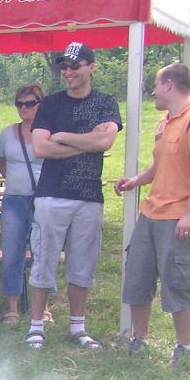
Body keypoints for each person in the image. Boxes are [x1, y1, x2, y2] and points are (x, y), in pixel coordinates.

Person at [25, 42, 122, 350]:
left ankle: (78, 327)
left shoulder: (106, 103)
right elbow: (40, 147)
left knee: (83, 265)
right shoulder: (50, 104)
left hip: (89, 196)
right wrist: (88, 142)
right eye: (63, 66)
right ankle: (36, 326)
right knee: (44, 260)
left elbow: (105, 142)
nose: (67, 72)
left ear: (91, 67)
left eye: (74, 66)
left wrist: (64, 137)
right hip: (52, 195)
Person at [115, 63, 190, 366]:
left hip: (177, 217)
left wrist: (188, 215)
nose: (153, 92)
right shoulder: (165, 122)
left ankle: (185, 348)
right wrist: (136, 180)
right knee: (138, 276)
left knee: (178, 282)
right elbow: (159, 165)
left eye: (156, 85)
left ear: (169, 84)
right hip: (150, 214)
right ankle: (139, 340)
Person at [0, 83, 46, 324]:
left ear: (40, 104)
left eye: (29, 103)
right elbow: (1, 162)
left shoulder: (49, 132)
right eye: (19, 104)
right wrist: (15, 181)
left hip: (42, 199)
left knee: (42, 253)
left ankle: (43, 308)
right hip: (14, 199)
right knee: (12, 253)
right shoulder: (7, 133)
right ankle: (12, 308)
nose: (24, 108)